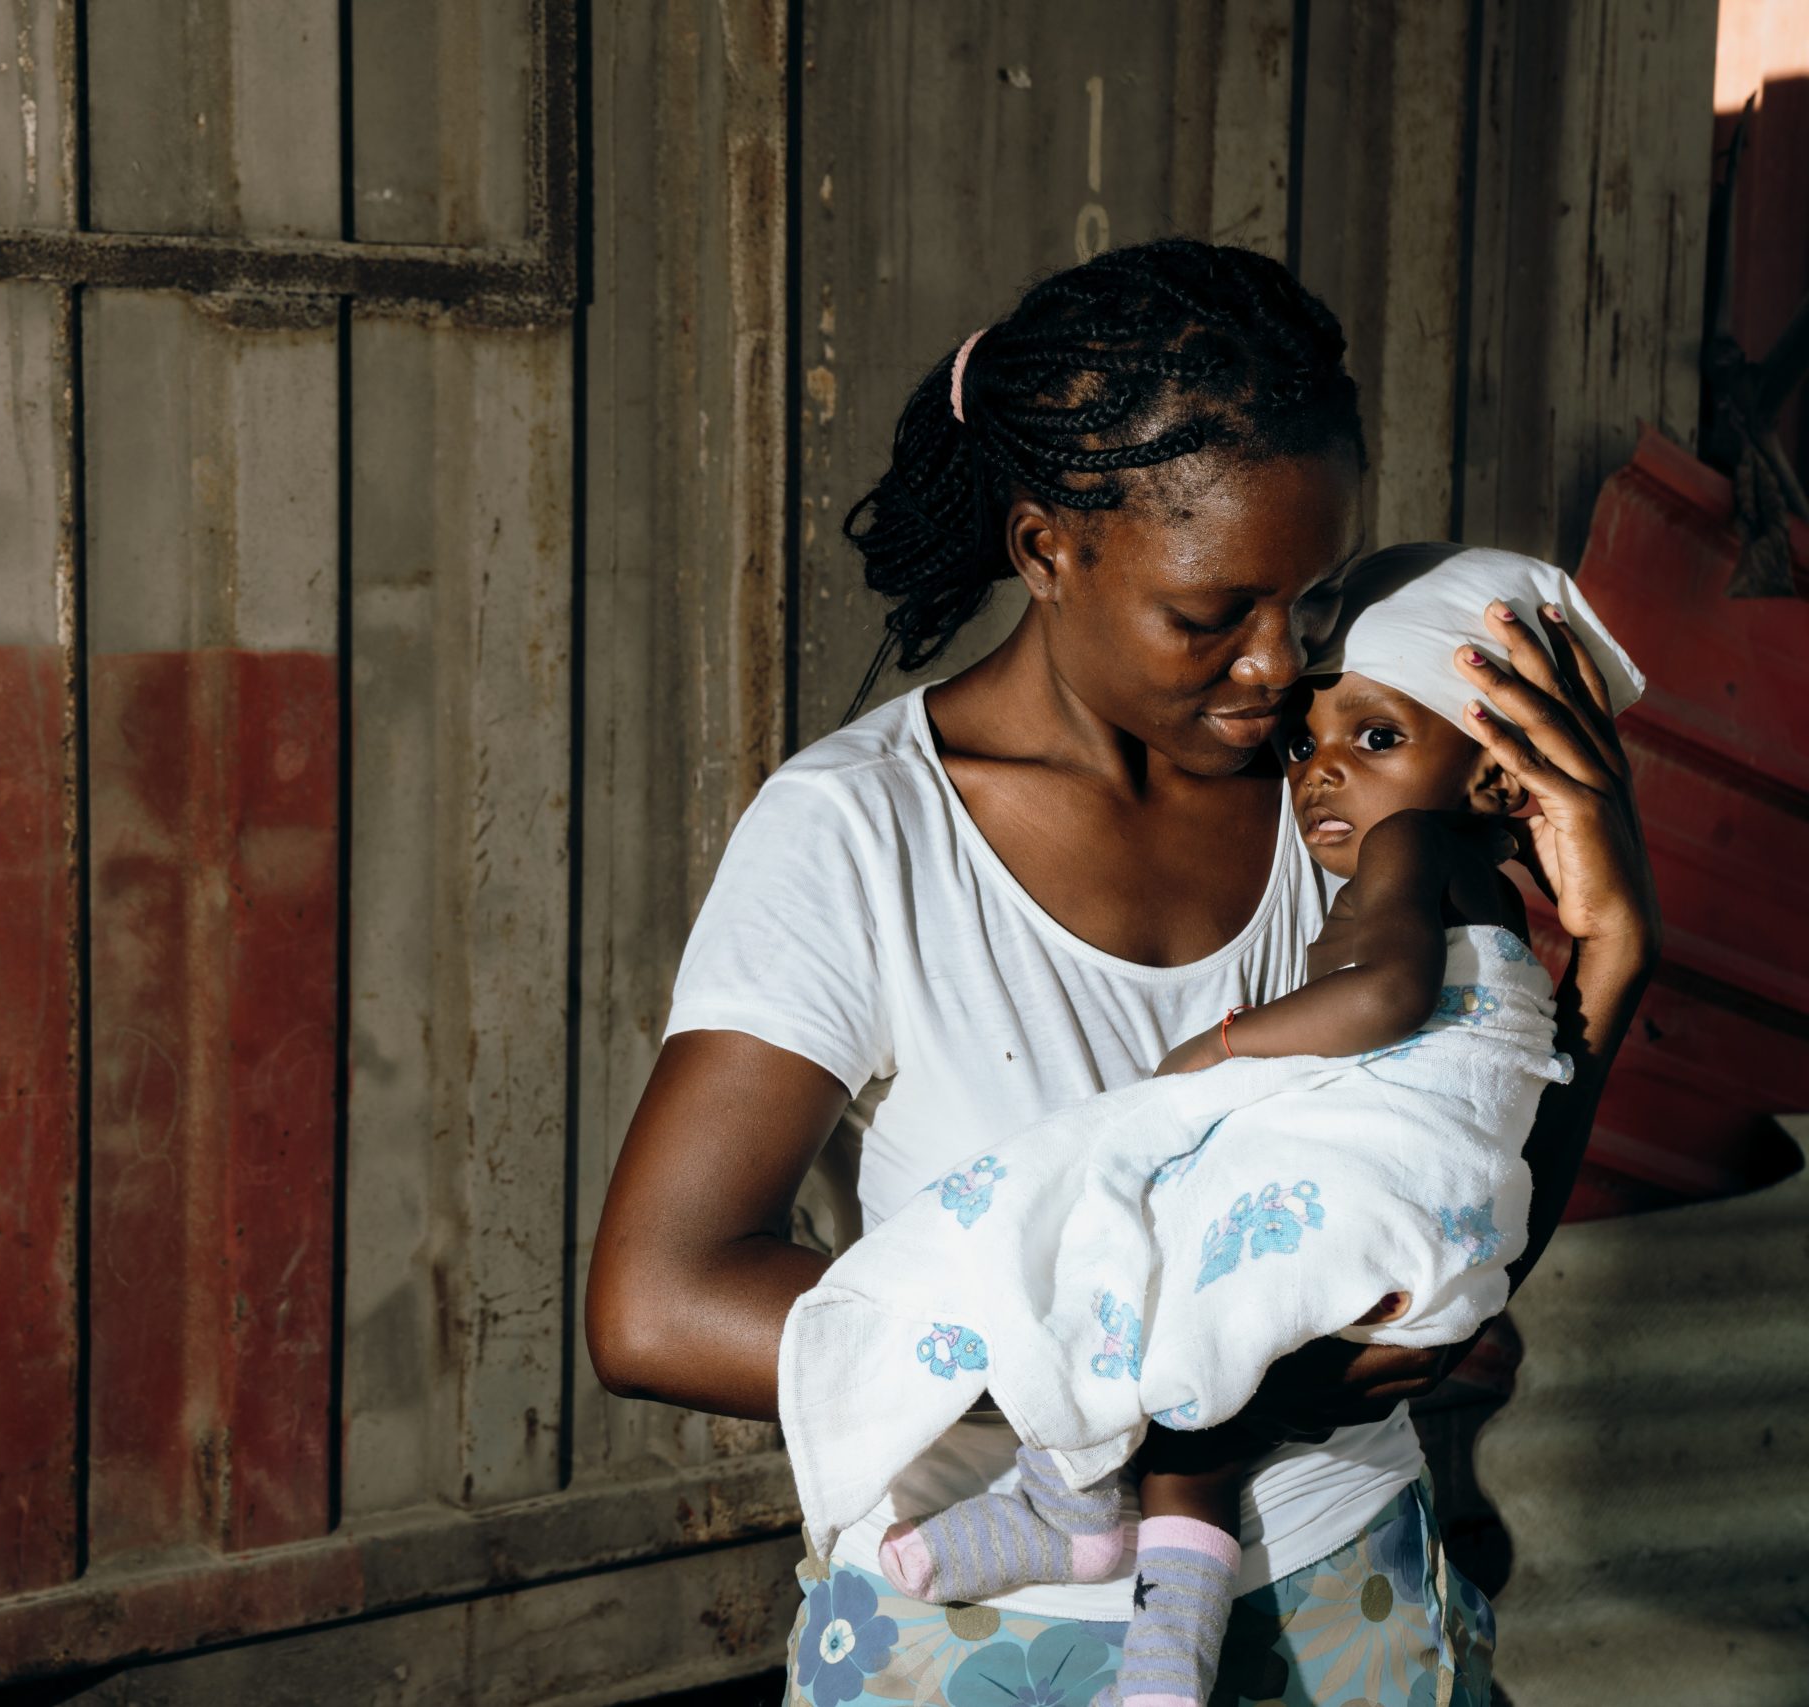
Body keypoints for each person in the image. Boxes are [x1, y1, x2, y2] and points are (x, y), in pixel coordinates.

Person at [582, 240, 1660, 1707]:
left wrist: (1611, 956)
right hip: (989, 1619)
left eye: (1310, 598)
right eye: (1212, 614)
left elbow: (1450, 1222)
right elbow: (658, 1302)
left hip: (1345, 1583)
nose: (1277, 666)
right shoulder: (866, 833)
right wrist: (1167, 1382)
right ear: (1046, 551)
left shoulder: (1339, 801)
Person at [785, 545, 1645, 1707]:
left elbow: (1389, 999)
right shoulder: (855, 819)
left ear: (1496, 774)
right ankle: (1121, 1564)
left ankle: (1088, 1524)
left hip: (1345, 1534)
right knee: (1194, 1334)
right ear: (1043, 552)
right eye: (1305, 745)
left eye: (1374, 737)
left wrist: (1223, 1048)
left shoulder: (1405, 845)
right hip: (1094, 1606)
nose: (1317, 769)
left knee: (1152, 1259)